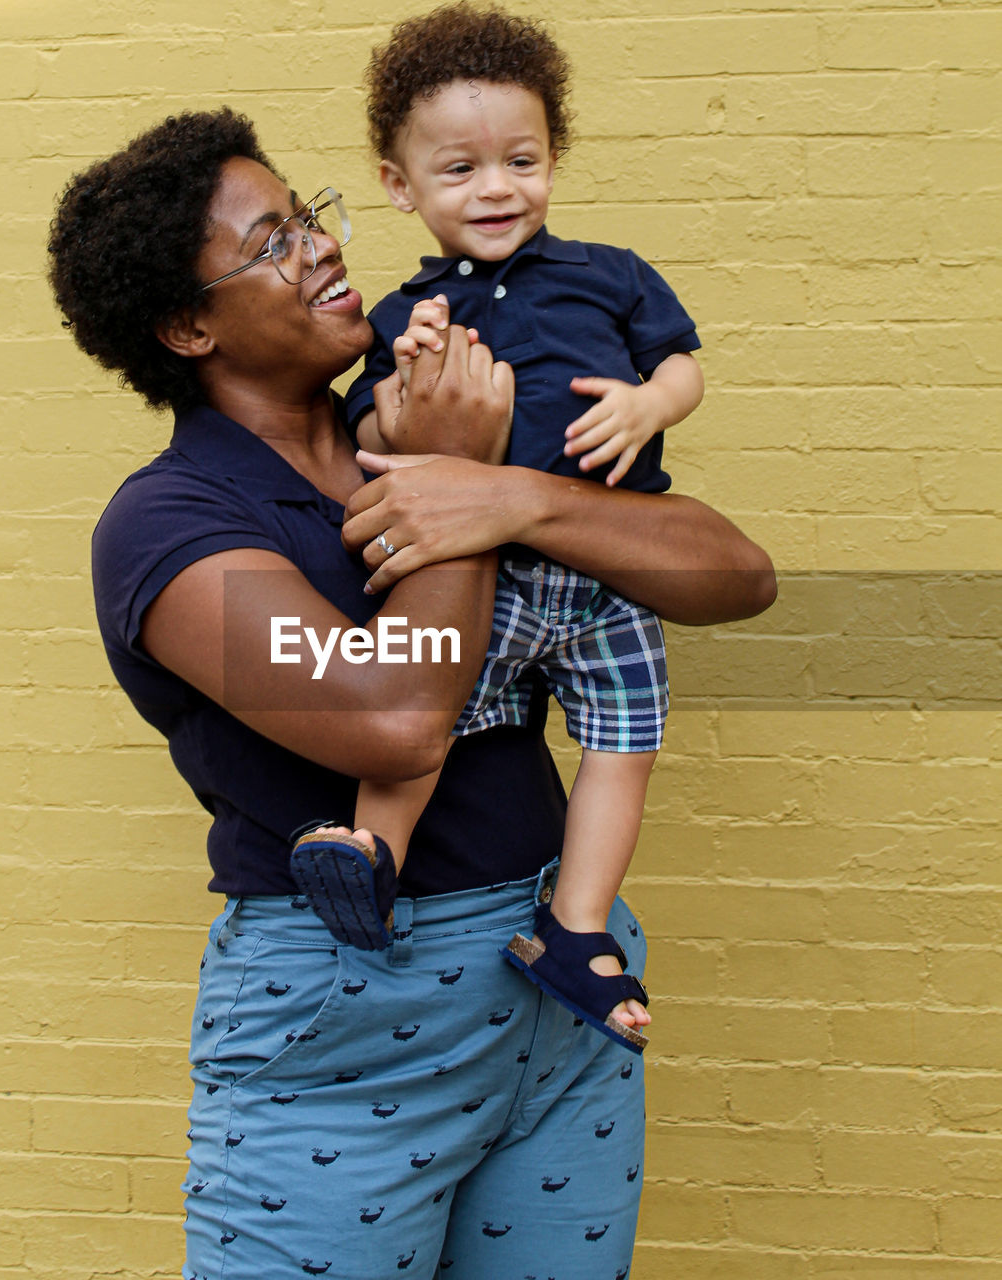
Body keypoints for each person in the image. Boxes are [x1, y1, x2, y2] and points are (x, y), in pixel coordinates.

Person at [48, 107, 774, 1280]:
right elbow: (392, 718)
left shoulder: (424, 415)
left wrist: (522, 498)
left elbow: (735, 575)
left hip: (551, 992)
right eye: (274, 240)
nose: (324, 246)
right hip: (345, 1018)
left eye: (312, 215)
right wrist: (466, 487)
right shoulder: (169, 525)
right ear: (187, 324)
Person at [291, 2, 704, 1054]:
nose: (496, 188)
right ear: (400, 186)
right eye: (461, 169)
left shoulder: (609, 273)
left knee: (625, 744)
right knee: (426, 715)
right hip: (487, 579)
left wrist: (652, 406)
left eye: (521, 159)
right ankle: (370, 853)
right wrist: (411, 378)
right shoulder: (401, 314)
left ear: (554, 157)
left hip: (605, 569)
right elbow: (373, 433)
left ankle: (574, 926)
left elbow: (680, 364)